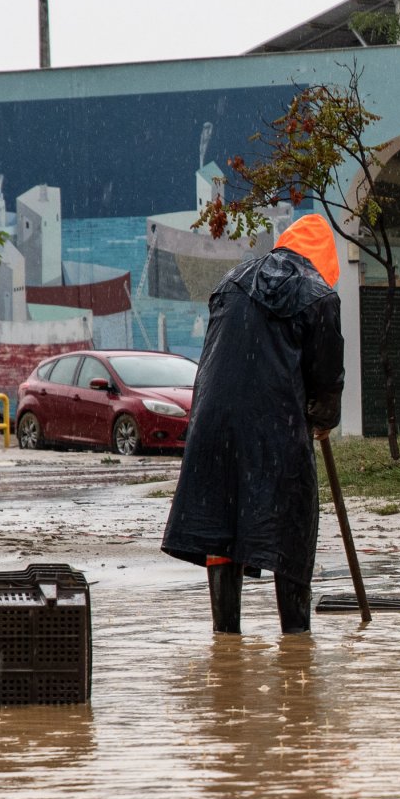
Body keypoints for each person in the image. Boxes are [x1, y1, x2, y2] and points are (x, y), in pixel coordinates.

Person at [163, 213, 345, 633]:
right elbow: (327, 376)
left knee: (221, 521)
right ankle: (295, 637)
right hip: (276, 424)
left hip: (212, 423)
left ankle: (225, 636)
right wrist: (323, 419)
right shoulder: (319, 295)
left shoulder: (230, 281)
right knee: (291, 521)